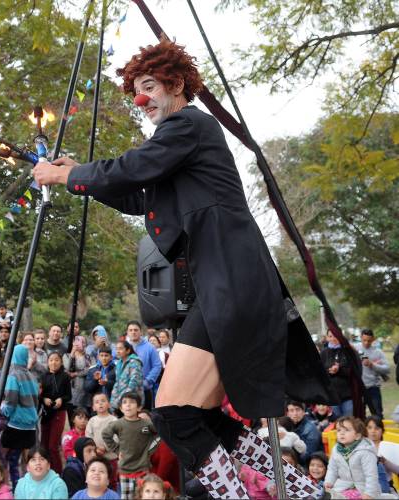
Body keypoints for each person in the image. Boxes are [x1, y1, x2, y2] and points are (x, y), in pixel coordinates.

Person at [33, 38, 334, 499]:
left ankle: (256, 494)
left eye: (149, 86)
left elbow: (131, 168)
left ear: (176, 84)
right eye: (137, 89)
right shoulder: (178, 144)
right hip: (224, 286)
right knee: (198, 414)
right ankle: (304, 491)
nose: (141, 99)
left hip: (232, 282)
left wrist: (67, 176)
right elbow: (138, 194)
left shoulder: (189, 125)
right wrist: (82, 176)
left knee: (174, 414)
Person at [102, 392, 158, 500]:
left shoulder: (146, 424)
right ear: (121, 408)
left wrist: (149, 450)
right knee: (126, 497)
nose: (128, 405)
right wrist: (117, 450)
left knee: (143, 496)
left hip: (143, 468)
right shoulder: (118, 424)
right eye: (124, 402)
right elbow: (106, 434)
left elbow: (158, 434)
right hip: (125, 469)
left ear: (139, 407)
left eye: (132, 402)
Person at [0, 345, 40, 485]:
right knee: (26, 460)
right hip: (30, 425)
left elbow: (11, 400)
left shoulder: (13, 376)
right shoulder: (31, 376)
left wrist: (3, 410)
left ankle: (10, 486)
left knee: (3, 455)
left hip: (16, 424)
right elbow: (35, 401)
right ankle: (27, 487)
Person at [324, 416, 381, 498]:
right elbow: (332, 469)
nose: (341, 433)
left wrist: (369, 493)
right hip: (343, 486)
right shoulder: (336, 450)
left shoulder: (365, 451)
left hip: (363, 488)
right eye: (339, 430)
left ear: (357, 436)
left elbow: (371, 475)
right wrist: (329, 482)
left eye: (347, 430)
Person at [39, 351, 71, 474]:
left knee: (53, 446)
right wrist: (43, 399)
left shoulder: (65, 376)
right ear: (47, 362)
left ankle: (57, 473)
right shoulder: (44, 376)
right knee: (43, 445)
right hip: (46, 414)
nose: (54, 362)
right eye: (51, 360)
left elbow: (69, 396)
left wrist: (61, 399)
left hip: (59, 413)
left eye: (56, 360)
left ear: (61, 362)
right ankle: (44, 471)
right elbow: (39, 396)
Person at [124, 321, 161, 409]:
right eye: (131, 330)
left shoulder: (150, 347)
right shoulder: (122, 347)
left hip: (145, 389)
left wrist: (148, 381)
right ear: (127, 332)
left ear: (140, 332)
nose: (133, 332)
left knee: (145, 416)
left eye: (136, 330)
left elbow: (157, 366)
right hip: (126, 389)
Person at [320, 329, 355, 418]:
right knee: (336, 422)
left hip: (348, 395)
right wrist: (330, 371)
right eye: (330, 336)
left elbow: (353, 371)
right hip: (332, 396)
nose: (333, 338)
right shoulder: (324, 353)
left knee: (348, 420)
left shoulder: (347, 351)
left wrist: (339, 370)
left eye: (335, 336)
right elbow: (320, 373)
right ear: (327, 338)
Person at [86, 393, 119, 488]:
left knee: (111, 480)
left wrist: (105, 447)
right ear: (93, 407)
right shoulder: (92, 420)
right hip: (95, 457)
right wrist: (95, 449)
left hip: (111, 457)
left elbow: (116, 437)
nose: (100, 404)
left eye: (103, 401)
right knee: (97, 480)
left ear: (108, 404)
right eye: (97, 402)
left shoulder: (114, 420)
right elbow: (88, 437)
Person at [357, 329, 389, 419]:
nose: (366, 343)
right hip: (359, 388)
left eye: (369, 340)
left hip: (373, 387)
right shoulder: (355, 348)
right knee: (359, 416)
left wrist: (372, 364)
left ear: (373, 339)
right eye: (364, 340)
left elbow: (387, 369)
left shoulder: (378, 352)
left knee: (377, 415)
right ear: (361, 338)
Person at [365, 415, 399, 494]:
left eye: (377, 428)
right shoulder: (361, 447)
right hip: (367, 487)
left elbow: (397, 470)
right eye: (369, 428)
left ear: (382, 431)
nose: (373, 431)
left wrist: (385, 461)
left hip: (386, 486)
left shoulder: (388, 447)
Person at [286, 400, 324, 465]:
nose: (295, 413)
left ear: (303, 412)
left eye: (297, 410)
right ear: (287, 413)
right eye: (291, 410)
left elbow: (307, 456)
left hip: (308, 465)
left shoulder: (311, 429)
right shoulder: (285, 425)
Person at [110, 340, 144, 411]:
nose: (118, 351)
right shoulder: (119, 363)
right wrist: (113, 401)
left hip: (133, 400)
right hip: (121, 402)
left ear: (128, 351)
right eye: (117, 349)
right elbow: (117, 383)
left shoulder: (135, 362)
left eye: (120, 349)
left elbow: (133, 384)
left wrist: (119, 401)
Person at [66, 336, 94, 411]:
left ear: (85, 344)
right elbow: (67, 369)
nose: (79, 343)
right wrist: (72, 353)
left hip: (85, 389)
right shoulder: (67, 356)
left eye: (82, 342)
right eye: (76, 341)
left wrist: (76, 374)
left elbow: (91, 369)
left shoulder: (88, 356)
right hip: (72, 389)